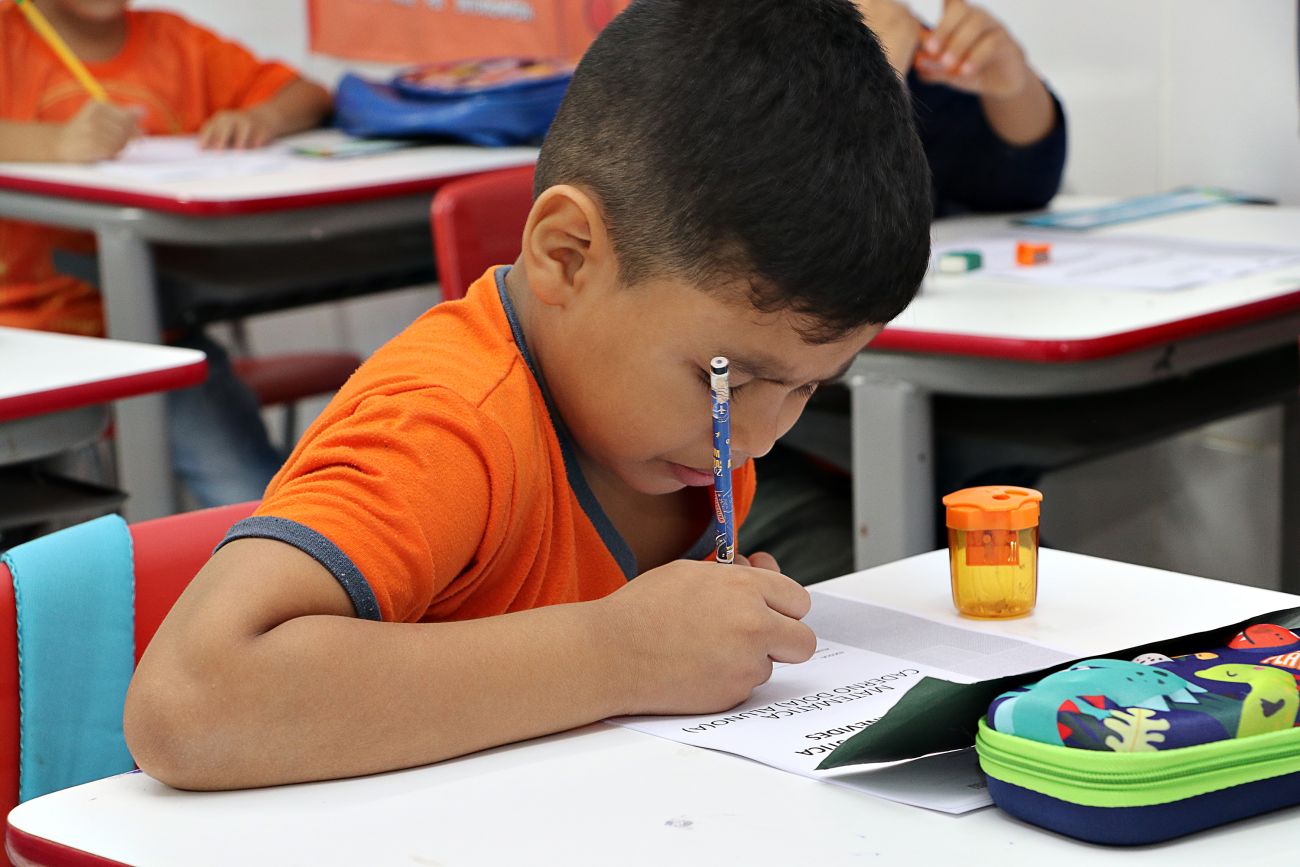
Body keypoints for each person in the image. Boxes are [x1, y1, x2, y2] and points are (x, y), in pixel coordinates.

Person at [123, 0, 933, 790]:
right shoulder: (447, 426)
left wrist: (700, 632)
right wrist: (619, 653)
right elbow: (186, 705)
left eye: (807, 387)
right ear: (567, 254)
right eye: (730, 382)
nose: (757, 438)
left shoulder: (678, 438)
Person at [750, 0, 1068, 583]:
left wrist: (1013, 84)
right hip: (761, 451)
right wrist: (867, 69)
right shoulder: (723, 47)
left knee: (1015, 584)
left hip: (932, 434)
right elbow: (797, 210)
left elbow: (1020, 183)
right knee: (887, 592)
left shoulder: (911, 48)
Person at [0, 0, 333, 505]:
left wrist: (260, 117)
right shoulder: (9, 36)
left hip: (159, 339)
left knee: (258, 504)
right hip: (25, 342)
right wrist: (54, 144)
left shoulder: (175, 42)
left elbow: (307, 94)